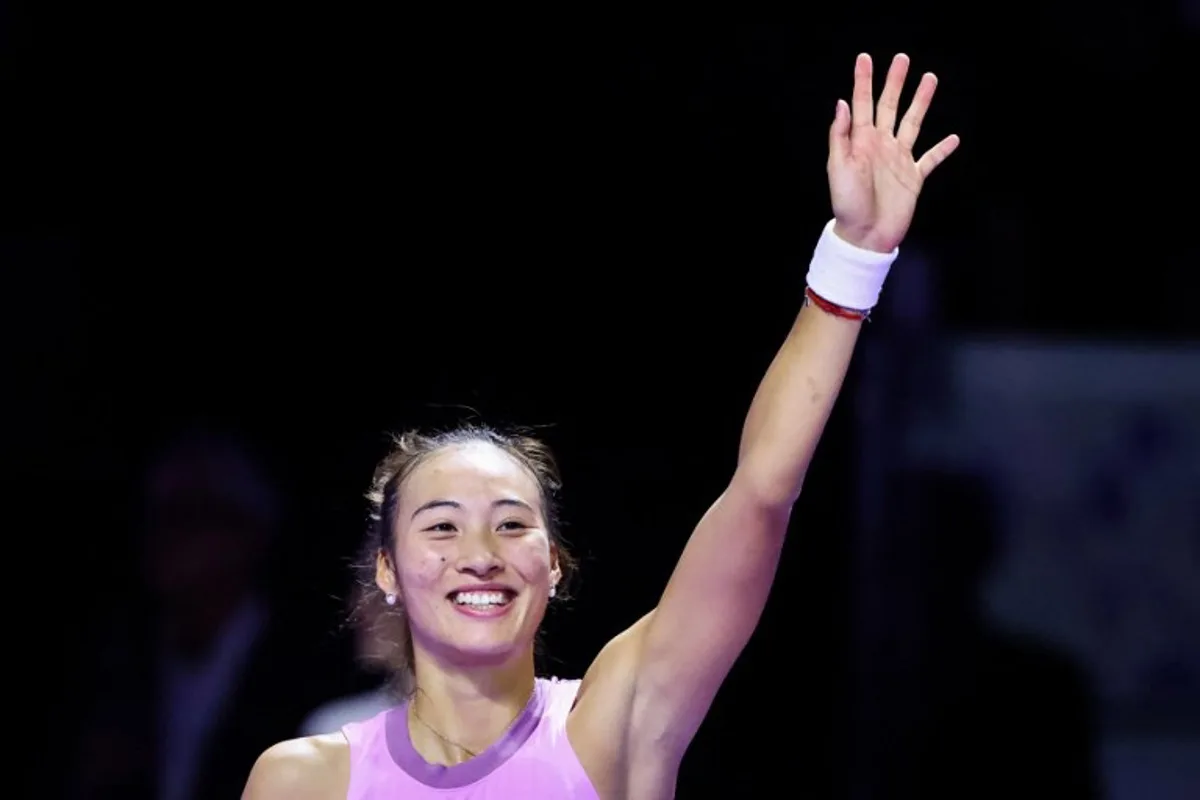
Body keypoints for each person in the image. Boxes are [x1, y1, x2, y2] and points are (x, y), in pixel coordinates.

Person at [242, 52, 960, 799]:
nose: (481, 554)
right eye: (443, 526)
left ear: (554, 562)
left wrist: (854, 258)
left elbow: (762, 490)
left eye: (513, 524)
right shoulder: (303, 779)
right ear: (386, 569)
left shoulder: (617, 719)